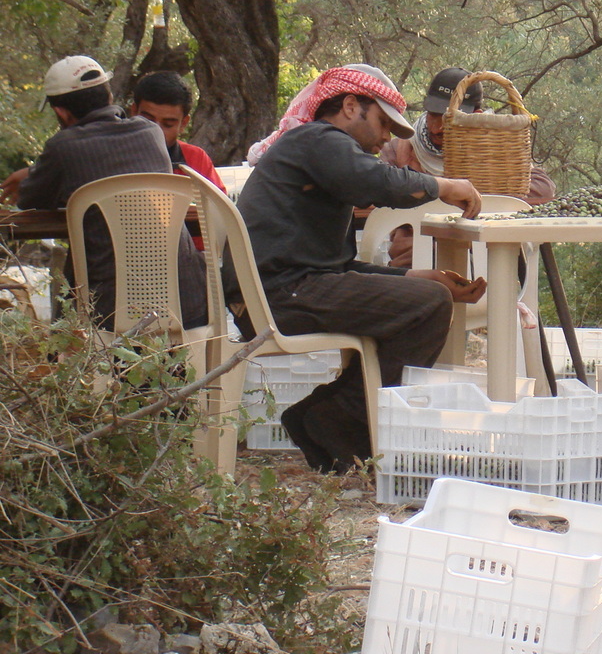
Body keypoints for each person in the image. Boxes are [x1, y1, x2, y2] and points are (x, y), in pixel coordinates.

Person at [224, 64, 487, 475]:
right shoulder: (318, 140)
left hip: (285, 290)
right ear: (350, 106)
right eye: (383, 123)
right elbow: (373, 182)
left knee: (429, 297)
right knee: (431, 305)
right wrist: (445, 186)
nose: (385, 137)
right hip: (279, 294)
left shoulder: (319, 156)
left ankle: (327, 417)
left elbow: (339, 267)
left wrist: (414, 278)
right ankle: (335, 420)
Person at [0, 55, 207, 330]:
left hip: (109, 311)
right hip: (186, 302)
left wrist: (37, 174)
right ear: (109, 95)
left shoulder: (64, 147)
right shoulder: (150, 133)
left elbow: (31, 201)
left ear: (60, 112)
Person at [378, 67, 556, 266]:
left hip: (487, 261)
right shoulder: (400, 150)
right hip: (418, 264)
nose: (437, 127)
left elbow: (542, 187)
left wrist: (472, 190)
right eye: (433, 115)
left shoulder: (498, 151)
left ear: (475, 115)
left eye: (449, 118)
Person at [130, 70, 227, 249]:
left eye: (168, 124)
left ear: (183, 123)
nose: (156, 131)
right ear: (133, 111)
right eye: (147, 120)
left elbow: (221, 212)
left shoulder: (195, 159)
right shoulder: (112, 158)